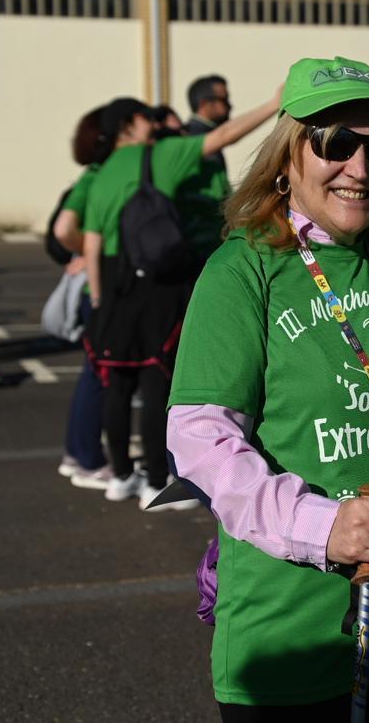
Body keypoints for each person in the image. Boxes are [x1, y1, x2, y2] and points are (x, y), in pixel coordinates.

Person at [166, 55, 369, 719]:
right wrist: (320, 527)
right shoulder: (244, 270)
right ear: (288, 157)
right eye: (334, 143)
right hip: (289, 634)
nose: (359, 166)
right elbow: (200, 438)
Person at [83, 91, 278, 511]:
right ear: (129, 126)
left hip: (114, 287)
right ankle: (156, 479)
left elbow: (91, 241)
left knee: (117, 385)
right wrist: (272, 103)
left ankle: (120, 475)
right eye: (144, 119)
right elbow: (222, 136)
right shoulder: (158, 157)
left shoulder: (99, 174)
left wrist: (97, 300)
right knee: (157, 384)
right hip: (155, 284)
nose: (153, 125)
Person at [52, 106, 111, 488]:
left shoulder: (93, 176)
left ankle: (78, 453)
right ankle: (87, 458)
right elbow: (63, 228)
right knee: (99, 375)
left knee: (94, 374)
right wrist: (88, 255)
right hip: (101, 292)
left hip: (99, 290)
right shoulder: (97, 176)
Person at [179, 74, 239, 262]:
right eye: (224, 99)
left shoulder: (202, 133)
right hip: (202, 238)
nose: (230, 106)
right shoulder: (195, 138)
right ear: (206, 103)